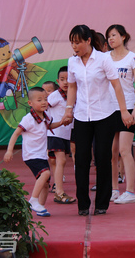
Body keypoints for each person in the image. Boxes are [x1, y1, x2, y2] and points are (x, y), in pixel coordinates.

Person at [62, 25, 133, 216]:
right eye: (72, 42)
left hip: (104, 115)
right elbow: (72, 87)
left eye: (77, 42)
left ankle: (102, 203)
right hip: (82, 115)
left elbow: (117, 86)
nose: (74, 46)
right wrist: (69, 110)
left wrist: (124, 111)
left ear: (88, 41)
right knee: (82, 159)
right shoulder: (72, 62)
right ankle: (83, 204)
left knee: (103, 158)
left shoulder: (104, 59)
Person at [3, 87, 66, 217]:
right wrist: (9, 151)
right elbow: (15, 134)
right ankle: (33, 200)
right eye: (39, 100)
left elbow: (49, 126)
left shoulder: (46, 116)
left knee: (45, 182)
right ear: (30, 103)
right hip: (31, 155)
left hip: (42, 155)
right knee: (46, 173)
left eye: (45, 99)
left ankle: (41, 207)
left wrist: (61, 122)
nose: (43, 102)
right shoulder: (28, 119)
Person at [106, 24, 135, 204]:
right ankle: (114, 189)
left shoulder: (132, 58)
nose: (110, 39)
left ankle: (130, 191)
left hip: (127, 107)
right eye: (108, 36)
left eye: (114, 35)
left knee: (124, 150)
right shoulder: (105, 57)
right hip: (108, 108)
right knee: (111, 153)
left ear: (123, 37)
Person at [46, 66, 75, 204]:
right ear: (58, 81)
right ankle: (59, 192)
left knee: (60, 162)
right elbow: (44, 109)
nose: (65, 82)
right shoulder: (54, 96)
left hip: (66, 134)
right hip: (55, 132)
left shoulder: (74, 94)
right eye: (62, 79)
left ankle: (58, 191)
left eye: (68, 79)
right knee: (61, 161)